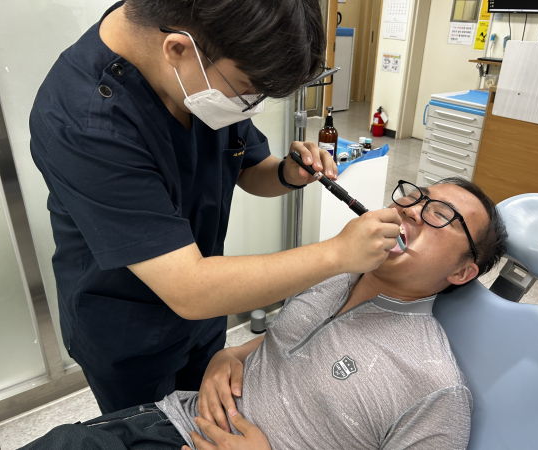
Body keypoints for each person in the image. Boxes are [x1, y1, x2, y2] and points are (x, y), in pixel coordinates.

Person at [29, 0, 404, 414]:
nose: (251, 103)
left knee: (208, 414)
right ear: (178, 49)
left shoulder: (206, 67)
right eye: (246, 89)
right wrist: (338, 254)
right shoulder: (84, 122)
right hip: (127, 333)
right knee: (153, 433)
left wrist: (285, 173)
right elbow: (189, 288)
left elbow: (249, 168)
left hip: (206, 313)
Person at [20, 177, 508, 450]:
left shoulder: (434, 386)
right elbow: (288, 344)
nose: (413, 211)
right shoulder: (330, 275)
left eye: (442, 215)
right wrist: (229, 355)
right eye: (416, 196)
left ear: (463, 272)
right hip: (171, 423)